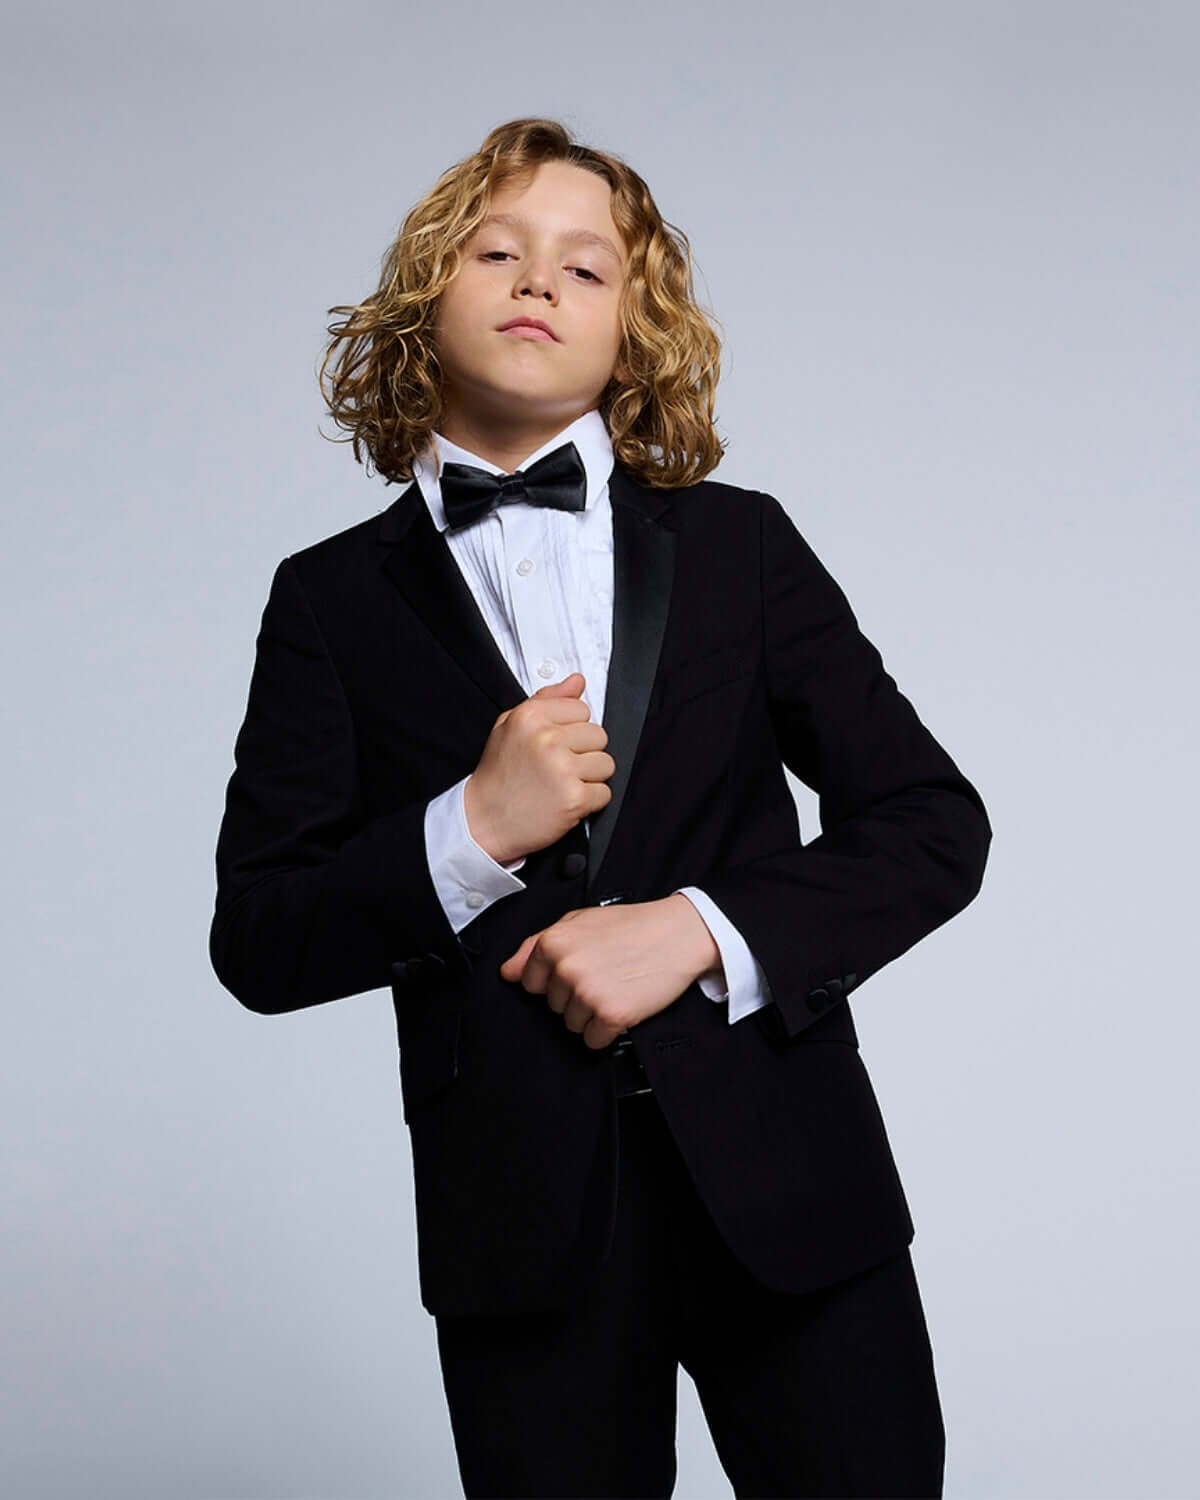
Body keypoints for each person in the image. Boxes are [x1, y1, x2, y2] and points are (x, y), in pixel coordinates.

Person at [209, 116, 991, 1499]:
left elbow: (931, 822)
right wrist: (467, 832)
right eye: (496, 250)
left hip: (794, 1186)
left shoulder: (742, 545)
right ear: (422, 302)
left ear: (635, 332)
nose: (537, 282)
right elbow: (261, 941)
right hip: (520, 1228)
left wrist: (700, 929)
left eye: (586, 268)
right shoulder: (327, 601)